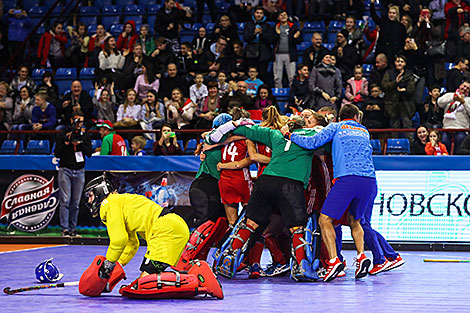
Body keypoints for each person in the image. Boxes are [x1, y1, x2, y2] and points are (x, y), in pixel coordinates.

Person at [208, 115, 321, 282]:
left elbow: (238, 130)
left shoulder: (274, 135)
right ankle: (301, 266)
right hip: (291, 184)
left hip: (265, 181)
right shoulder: (312, 136)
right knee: (296, 228)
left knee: (251, 223)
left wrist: (234, 123)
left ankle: (230, 257)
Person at [81, 175, 216, 298]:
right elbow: (131, 244)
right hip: (172, 227)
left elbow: (119, 240)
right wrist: (118, 263)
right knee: (148, 279)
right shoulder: (118, 201)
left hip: (165, 231)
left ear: (99, 192)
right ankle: (196, 274)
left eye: (90, 195)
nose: (89, 200)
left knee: (144, 284)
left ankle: (198, 280)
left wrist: (108, 264)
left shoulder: (108, 205)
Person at [283, 104, 374, 282]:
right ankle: (362, 256)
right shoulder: (364, 130)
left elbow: (312, 142)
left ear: (340, 117)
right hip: (370, 180)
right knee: (354, 220)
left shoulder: (336, 126)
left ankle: (333, 262)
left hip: (347, 178)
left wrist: (290, 135)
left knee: (324, 219)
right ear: (356, 117)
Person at [54, 111, 92, 237]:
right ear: (71, 121)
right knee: (65, 200)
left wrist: (79, 145)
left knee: (75, 202)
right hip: (65, 169)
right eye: (77, 121)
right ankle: (64, 229)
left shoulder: (85, 135)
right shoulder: (64, 134)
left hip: (79, 170)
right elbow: (57, 153)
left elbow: (89, 153)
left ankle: (72, 229)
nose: (79, 124)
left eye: (81, 121)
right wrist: (67, 143)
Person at [381, 55, 416, 139]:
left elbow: (411, 88)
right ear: (395, 63)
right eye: (398, 61)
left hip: (406, 104)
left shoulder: (409, 74)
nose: (399, 63)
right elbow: (384, 86)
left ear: (405, 63)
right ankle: (394, 147)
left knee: (408, 126)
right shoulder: (389, 73)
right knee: (394, 127)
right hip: (392, 104)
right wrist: (395, 82)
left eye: (402, 61)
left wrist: (404, 90)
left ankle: (411, 148)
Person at [243, 6, 275, 84]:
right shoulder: (249, 25)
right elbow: (246, 38)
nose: (259, 15)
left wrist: (261, 34)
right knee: (251, 75)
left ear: (263, 15)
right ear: (254, 13)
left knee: (262, 75)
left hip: (263, 54)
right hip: (251, 54)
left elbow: (271, 40)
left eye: (261, 13)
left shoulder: (267, 26)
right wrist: (254, 34)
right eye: (257, 13)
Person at [437, 80, 470, 153]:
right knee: (445, 148)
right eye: (464, 86)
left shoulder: (468, 100)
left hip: (461, 129)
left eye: (467, 88)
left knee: (459, 150)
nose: (464, 89)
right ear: (460, 86)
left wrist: (463, 102)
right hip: (447, 128)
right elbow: (439, 103)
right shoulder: (450, 95)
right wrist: (454, 98)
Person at [273, 10, 301, 88]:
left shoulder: (293, 27)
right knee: (277, 78)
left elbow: (299, 41)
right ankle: (278, 95)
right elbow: (271, 40)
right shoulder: (275, 27)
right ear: (278, 18)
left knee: (292, 77)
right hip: (278, 55)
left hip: (290, 55)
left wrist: (296, 37)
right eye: (281, 15)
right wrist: (277, 34)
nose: (283, 16)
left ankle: (292, 95)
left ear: (287, 16)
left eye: (285, 15)